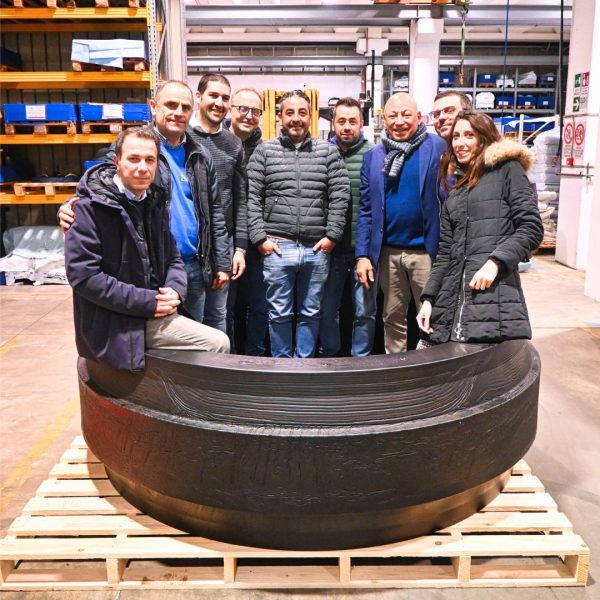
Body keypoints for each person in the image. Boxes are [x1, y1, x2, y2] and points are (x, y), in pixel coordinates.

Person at [58, 81, 232, 328]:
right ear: (153, 106)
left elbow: (214, 212)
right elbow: (100, 179)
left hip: (195, 262)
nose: (178, 112)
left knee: (196, 334)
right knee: (159, 334)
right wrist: (69, 204)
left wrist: (222, 262)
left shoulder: (200, 155)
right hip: (156, 263)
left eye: (185, 107)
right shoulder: (137, 145)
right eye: (171, 105)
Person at [64, 127, 229, 372]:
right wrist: (149, 302)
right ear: (117, 161)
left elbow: (172, 257)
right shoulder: (88, 209)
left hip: (151, 309)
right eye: (134, 159)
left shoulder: (154, 202)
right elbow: (84, 277)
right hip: (117, 319)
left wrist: (175, 289)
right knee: (217, 343)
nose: (143, 167)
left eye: (150, 160)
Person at [416, 111, 544, 344]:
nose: (460, 143)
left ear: (484, 138)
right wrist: (428, 299)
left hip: (493, 302)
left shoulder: (508, 170)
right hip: (450, 305)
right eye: (456, 136)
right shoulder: (456, 193)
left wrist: (496, 262)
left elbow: (531, 227)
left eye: (469, 135)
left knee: (482, 363)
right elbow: (445, 255)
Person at [247, 89, 350, 358]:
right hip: (277, 247)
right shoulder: (264, 152)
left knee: (311, 313)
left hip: (316, 249)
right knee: (279, 313)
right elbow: (252, 197)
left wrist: (332, 236)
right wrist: (260, 239)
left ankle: (304, 365)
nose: (296, 118)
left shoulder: (327, 152)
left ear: (310, 117)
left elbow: (340, 195)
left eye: (302, 112)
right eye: (290, 112)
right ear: (280, 116)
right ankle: (283, 365)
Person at [355, 92, 447, 354]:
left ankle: (434, 364)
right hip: (388, 253)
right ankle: (396, 367)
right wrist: (363, 254)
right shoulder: (373, 156)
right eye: (392, 116)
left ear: (418, 117)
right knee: (392, 316)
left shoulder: (439, 147)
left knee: (432, 316)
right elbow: (366, 210)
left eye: (406, 115)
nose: (399, 121)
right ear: (384, 119)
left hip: (426, 252)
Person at [189, 74, 248, 349]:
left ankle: (218, 367)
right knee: (190, 318)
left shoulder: (234, 144)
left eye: (225, 98)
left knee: (218, 315)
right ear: (198, 96)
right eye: (213, 95)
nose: (219, 103)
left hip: (223, 243)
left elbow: (241, 198)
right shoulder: (183, 137)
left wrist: (240, 248)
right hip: (191, 244)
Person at [318, 97, 374, 357]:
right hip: (329, 250)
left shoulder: (374, 155)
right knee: (327, 309)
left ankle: (361, 359)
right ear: (333, 123)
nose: (347, 127)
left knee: (364, 311)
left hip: (364, 252)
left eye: (353, 121)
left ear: (362, 124)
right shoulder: (320, 153)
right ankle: (330, 356)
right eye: (341, 121)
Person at [226, 87, 270, 356]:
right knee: (226, 306)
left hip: (258, 239)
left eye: (255, 111)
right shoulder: (216, 144)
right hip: (225, 237)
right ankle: (229, 359)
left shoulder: (266, 150)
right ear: (231, 109)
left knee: (260, 304)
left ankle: (255, 357)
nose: (249, 115)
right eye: (243, 109)